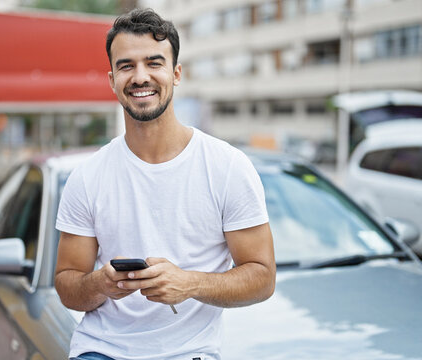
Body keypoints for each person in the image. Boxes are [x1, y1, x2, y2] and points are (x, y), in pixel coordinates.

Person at [54, 8, 275, 360]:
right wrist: (102, 284)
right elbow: (68, 286)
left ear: (176, 73)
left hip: (191, 353)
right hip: (102, 351)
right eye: (127, 66)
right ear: (112, 79)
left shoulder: (227, 167)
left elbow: (262, 278)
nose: (140, 77)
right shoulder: (88, 176)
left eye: (154, 63)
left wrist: (190, 283)